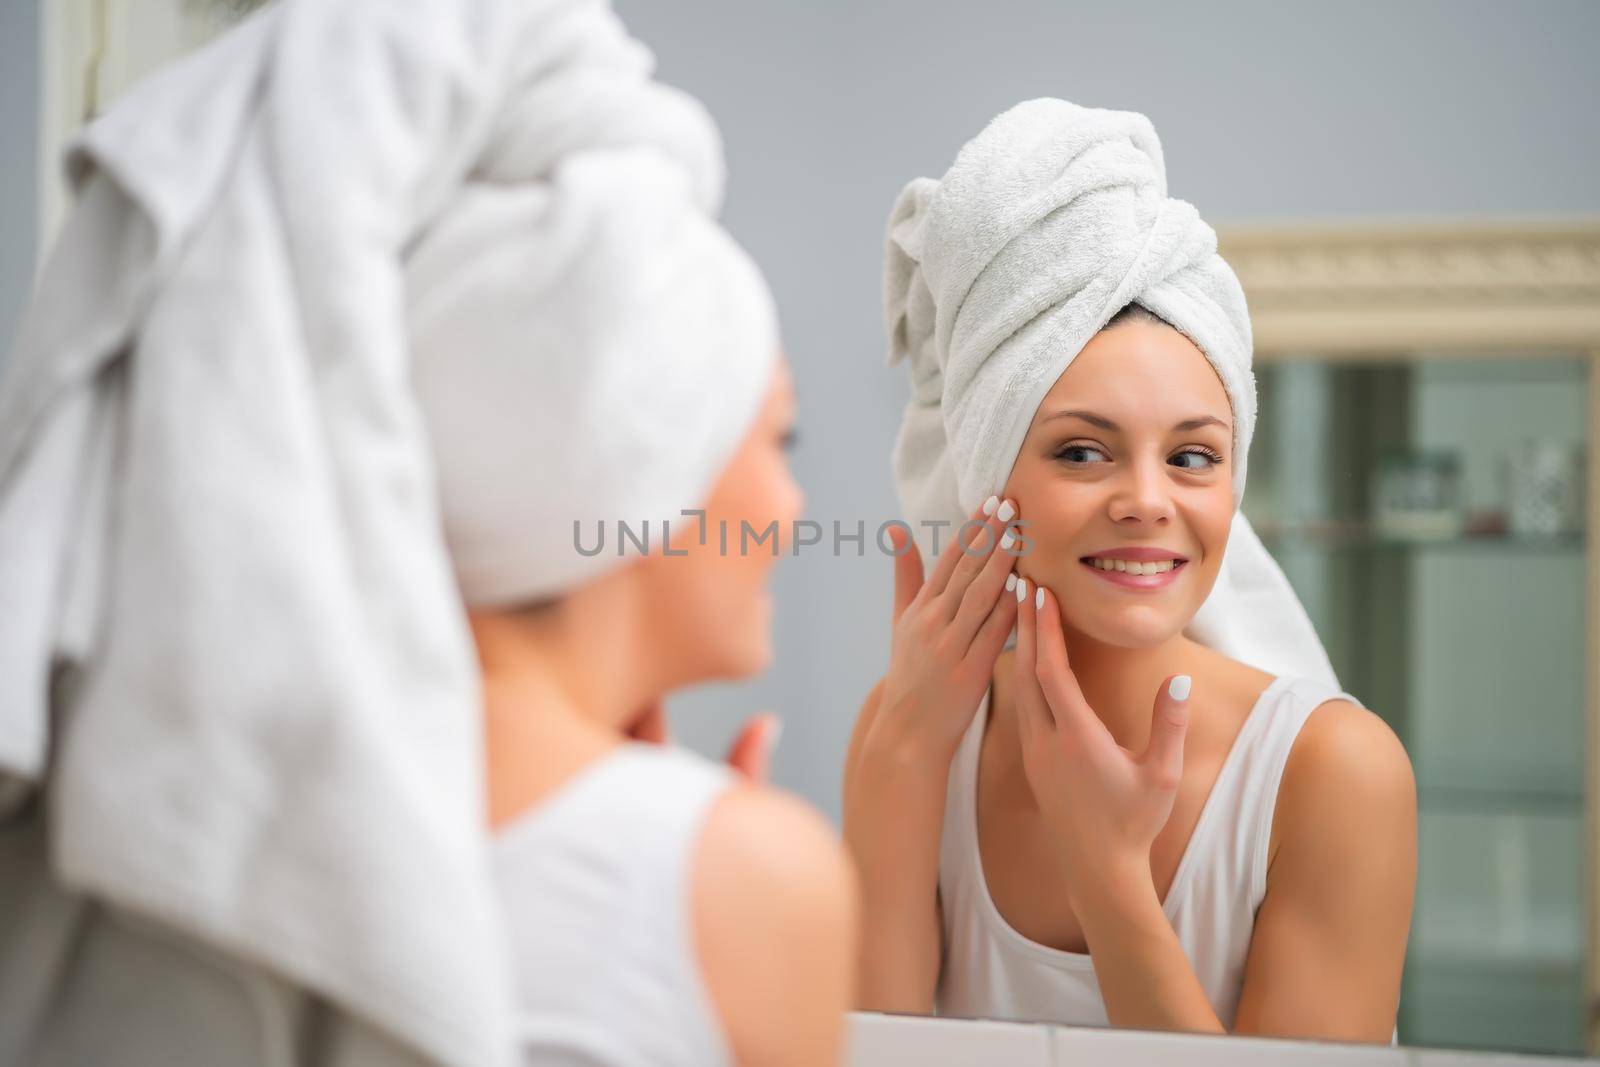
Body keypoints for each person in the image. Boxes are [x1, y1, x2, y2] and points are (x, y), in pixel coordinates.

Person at [0, 1, 853, 1064]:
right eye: (780, 435)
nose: (794, 508)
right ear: (626, 461)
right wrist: (707, 876)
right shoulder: (746, 876)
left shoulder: (176, 801)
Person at [843, 99, 1416, 1043]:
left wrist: (1108, 871)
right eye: (1081, 452)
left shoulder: (1334, 775)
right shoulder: (910, 734)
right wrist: (903, 752)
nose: (1149, 500)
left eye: (1193, 457)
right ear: (990, 476)